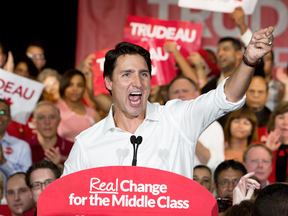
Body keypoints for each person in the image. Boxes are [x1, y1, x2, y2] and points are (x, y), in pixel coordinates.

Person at [62, 27, 274, 179]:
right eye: (127, 75)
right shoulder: (87, 143)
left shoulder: (177, 118)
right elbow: (67, 204)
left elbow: (227, 97)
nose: (137, 83)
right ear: (108, 81)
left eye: (143, 74)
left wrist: (249, 60)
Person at [168, 75, 225, 170]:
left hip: (199, 183)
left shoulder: (212, 126)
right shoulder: (159, 123)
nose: (181, 95)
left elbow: (216, 165)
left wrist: (187, 133)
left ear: (197, 94)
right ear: (169, 97)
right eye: (176, 92)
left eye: (185, 91)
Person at [230, 6, 279, 112]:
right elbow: (253, 55)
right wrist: (242, 26)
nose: (256, 96)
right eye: (252, 91)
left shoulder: (281, 89)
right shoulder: (248, 78)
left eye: (260, 92)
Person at [57, 69, 101, 142]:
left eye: (79, 85)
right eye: (70, 85)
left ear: (84, 89)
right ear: (64, 87)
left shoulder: (94, 114)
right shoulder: (56, 110)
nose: (75, 89)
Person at [25, 101, 73, 167]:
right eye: (41, 117)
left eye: (51, 117)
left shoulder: (72, 149)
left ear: (59, 120)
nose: (47, 122)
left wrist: (59, 166)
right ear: (34, 122)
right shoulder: (24, 146)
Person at [0, 99, 32, 181]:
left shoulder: (22, 146)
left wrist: (3, 162)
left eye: (3, 112)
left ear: (10, 119)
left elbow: (25, 180)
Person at [266, 101, 288, 183]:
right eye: (281, 117)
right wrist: (267, 151)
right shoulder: (261, 146)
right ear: (273, 121)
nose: (285, 122)